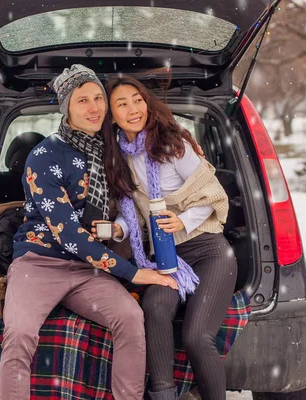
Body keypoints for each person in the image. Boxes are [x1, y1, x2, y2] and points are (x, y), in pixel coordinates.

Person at [0, 65, 177, 400]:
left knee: (130, 317)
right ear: (67, 108)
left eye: (98, 98)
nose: (94, 107)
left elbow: (130, 204)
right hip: (39, 263)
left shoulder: (110, 150)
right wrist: (134, 274)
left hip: (88, 269)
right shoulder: (45, 156)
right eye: (83, 100)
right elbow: (69, 235)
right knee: (19, 333)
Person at [100, 75, 238, 400]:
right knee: (155, 311)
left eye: (137, 99)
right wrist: (119, 228)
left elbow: (211, 194)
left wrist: (182, 220)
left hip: (209, 250)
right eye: (122, 104)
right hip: (165, 257)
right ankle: (164, 395)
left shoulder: (174, 144)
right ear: (111, 115)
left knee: (196, 337)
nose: (134, 109)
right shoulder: (118, 158)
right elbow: (134, 213)